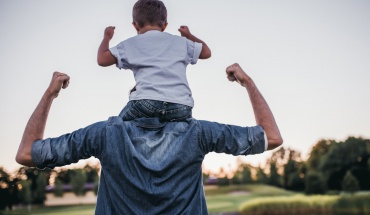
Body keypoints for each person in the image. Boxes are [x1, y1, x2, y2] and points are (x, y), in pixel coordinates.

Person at [16, 63, 283, 214]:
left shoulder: (105, 134)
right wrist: (247, 82)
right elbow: (271, 137)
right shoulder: (198, 133)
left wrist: (50, 94)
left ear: (134, 96)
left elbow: (27, 153)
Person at [97, 0, 211, 122]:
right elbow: (206, 52)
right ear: (165, 25)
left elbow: (102, 59)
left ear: (135, 25)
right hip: (181, 106)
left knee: (117, 127)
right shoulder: (180, 42)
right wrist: (188, 35)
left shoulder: (131, 44)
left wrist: (107, 37)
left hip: (146, 103)